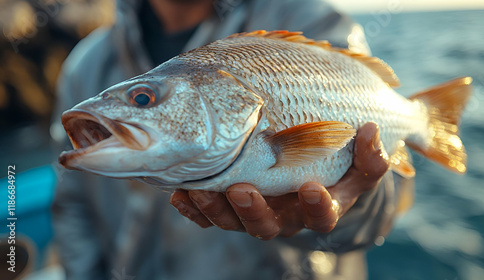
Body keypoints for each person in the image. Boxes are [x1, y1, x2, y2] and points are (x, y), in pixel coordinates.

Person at [51, 0, 411, 279]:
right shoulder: (85, 66)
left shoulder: (311, 20)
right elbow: (72, 206)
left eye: (143, 98)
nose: (139, 103)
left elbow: (387, 203)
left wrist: (350, 205)